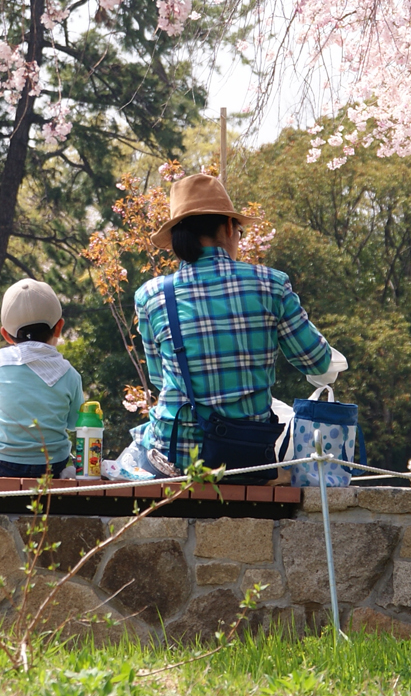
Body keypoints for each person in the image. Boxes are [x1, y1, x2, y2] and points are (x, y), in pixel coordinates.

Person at [109, 173, 344, 482]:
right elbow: (317, 361)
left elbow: (158, 378)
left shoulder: (151, 296)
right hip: (246, 456)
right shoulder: (272, 284)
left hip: (175, 457)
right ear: (229, 227)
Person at [0, 278, 86, 478]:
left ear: (6, 335)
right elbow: (75, 423)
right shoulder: (70, 374)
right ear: (59, 327)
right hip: (51, 465)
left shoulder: (1, 360)